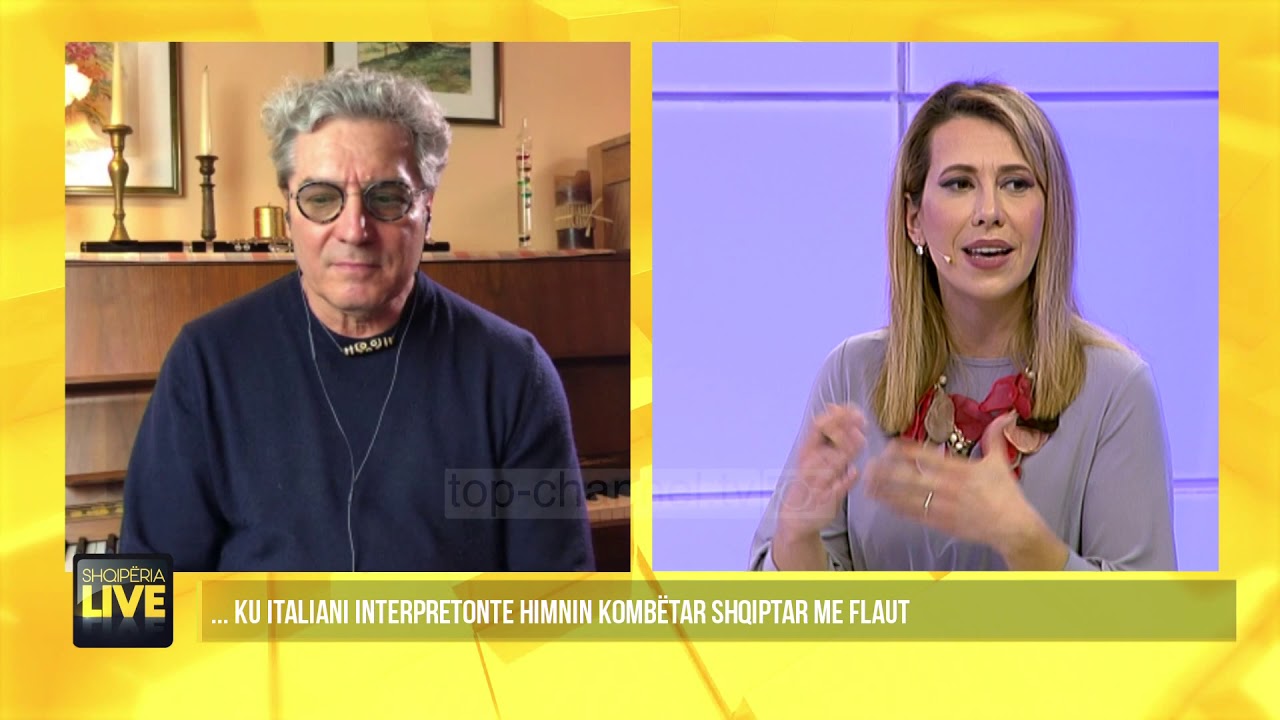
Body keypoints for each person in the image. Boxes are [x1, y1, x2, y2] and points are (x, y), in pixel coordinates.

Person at [120, 69, 594, 572]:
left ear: (427, 208)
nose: (354, 230)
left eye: (386, 197)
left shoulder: (514, 372)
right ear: (287, 213)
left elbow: (559, 600)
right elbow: (133, 594)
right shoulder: (204, 363)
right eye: (321, 198)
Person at [749, 81, 1177, 572]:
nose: (989, 212)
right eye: (959, 184)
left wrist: (1026, 542)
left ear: (1049, 214)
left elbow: (1148, 615)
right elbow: (788, 611)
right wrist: (797, 536)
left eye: (1016, 184)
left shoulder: (1117, 388)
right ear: (914, 219)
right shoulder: (852, 372)